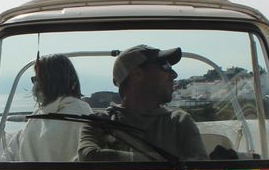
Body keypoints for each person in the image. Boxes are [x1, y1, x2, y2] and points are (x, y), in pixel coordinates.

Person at [78, 44, 208, 162]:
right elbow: (88, 155)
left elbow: (200, 169)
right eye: (165, 66)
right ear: (137, 74)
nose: (174, 74)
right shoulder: (98, 122)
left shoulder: (180, 121)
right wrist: (166, 161)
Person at [2, 54, 93, 162]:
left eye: (37, 79)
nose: (35, 84)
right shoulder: (41, 114)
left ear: (52, 81)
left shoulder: (78, 115)